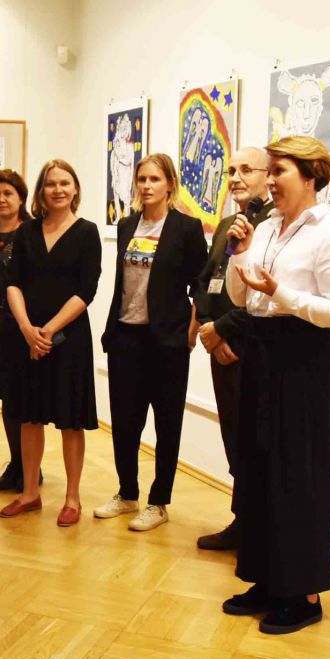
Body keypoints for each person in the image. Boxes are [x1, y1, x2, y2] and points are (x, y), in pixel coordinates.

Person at [220, 136, 330, 635]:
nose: (270, 180)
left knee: (300, 477)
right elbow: (241, 296)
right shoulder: (266, 228)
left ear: (310, 176)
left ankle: (303, 595)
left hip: (306, 362)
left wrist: (282, 293)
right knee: (257, 469)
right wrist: (238, 254)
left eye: (278, 171)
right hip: (261, 352)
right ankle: (267, 580)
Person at [95, 154, 207, 531]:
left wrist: (192, 328)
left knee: (166, 423)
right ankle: (127, 493)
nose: (146, 185)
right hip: (126, 335)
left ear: (170, 184)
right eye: (141, 179)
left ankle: (159, 502)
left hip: (167, 339)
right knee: (125, 421)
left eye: (154, 179)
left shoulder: (186, 228)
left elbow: (201, 283)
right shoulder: (127, 225)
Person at [0, 159, 101, 527]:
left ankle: (72, 498)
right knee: (30, 417)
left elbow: (86, 291)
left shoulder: (87, 232)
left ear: (75, 189)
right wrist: (28, 329)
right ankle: (30, 492)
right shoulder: (26, 232)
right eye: (50, 183)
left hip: (69, 338)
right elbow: (13, 283)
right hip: (27, 338)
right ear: (41, 191)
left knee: (70, 421)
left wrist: (48, 330)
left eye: (64, 183)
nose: (57, 189)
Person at [191, 147, 275, 549]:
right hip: (219, 346)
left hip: (252, 348)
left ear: (268, 175)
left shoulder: (274, 226)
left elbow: (264, 294)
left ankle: (260, 530)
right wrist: (209, 330)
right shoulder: (228, 223)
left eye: (246, 170)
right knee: (234, 438)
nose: (236, 178)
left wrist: (225, 332)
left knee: (257, 441)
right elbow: (208, 279)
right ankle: (243, 522)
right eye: (230, 171)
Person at [0, 169, 39, 492]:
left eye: (8, 193)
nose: (1, 199)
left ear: (21, 197)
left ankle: (30, 467)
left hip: (24, 328)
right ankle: (16, 462)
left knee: (24, 397)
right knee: (5, 395)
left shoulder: (33, 233)